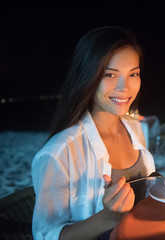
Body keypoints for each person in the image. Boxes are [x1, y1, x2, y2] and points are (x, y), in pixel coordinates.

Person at [31, 26, 156, 240]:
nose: (124, 87)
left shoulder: (135, 129)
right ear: (88, 77)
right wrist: (107, 218)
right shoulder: (59, 153)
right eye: (109, 74)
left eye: (133, 74)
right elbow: (45, 235)